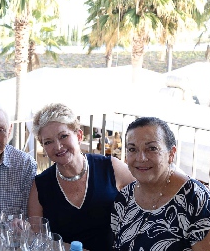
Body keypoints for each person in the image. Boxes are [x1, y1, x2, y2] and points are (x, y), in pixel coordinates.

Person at [111, 117, 210, 250]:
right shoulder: (125, 198)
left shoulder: (196, 201)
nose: (141, 158)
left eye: (152, 148)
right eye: (132, 149)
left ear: (171, 154)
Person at [27, 103, 135, 251]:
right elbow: (36, 238)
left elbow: (149, 197)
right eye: (48, 142)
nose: (58, 147)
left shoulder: (111, 168)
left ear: (78, 135)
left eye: (63, 136)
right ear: (44, 148)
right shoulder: (40, 185)